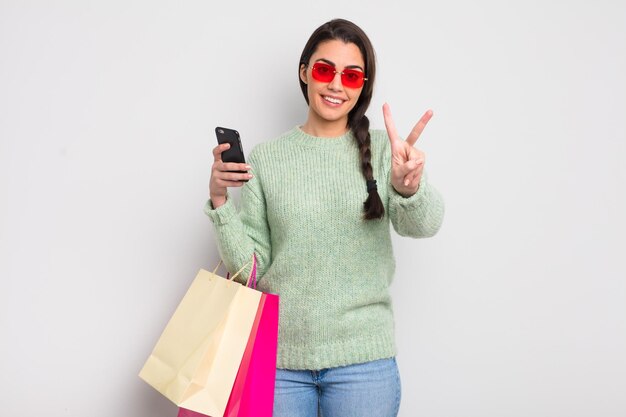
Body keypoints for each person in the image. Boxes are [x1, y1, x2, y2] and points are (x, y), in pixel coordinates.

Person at [205, 18, 444, 417]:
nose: (336, 84)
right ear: (304, 72)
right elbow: (250, 268)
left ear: (363, 85)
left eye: (351, 76)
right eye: (323, 69)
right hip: (280, 366)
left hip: (363, 365)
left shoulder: (387, 151)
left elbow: (425, 224)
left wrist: (408, 188)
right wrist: (219, 202)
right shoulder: (267, 158)